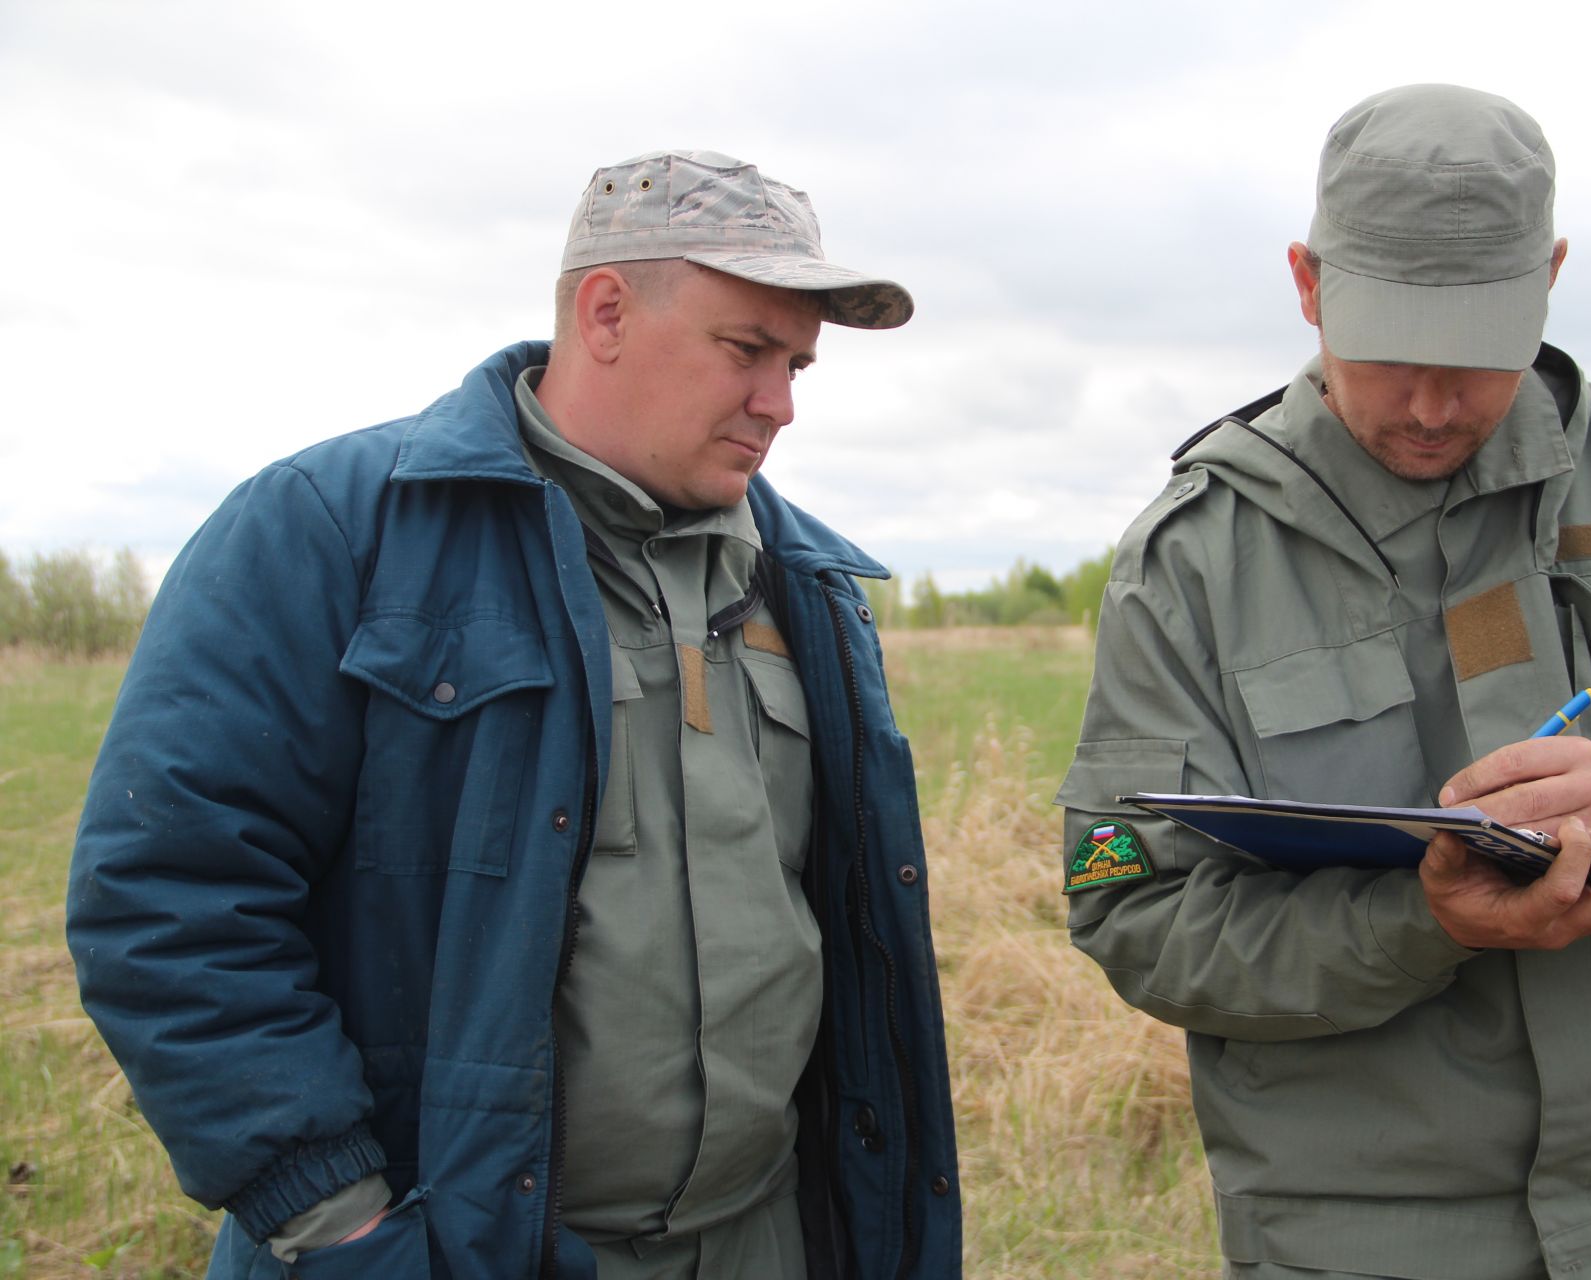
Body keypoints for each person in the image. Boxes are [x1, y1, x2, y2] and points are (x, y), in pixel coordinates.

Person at [69, 150, 961, 1280]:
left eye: (795, 364)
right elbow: (170, 896)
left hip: (765, 1235)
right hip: (454, 1248)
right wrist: (339, 1222)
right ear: (605, 313)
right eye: (746, 350)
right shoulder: (331, 531)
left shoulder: (809, 582)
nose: (779, 403)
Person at [1058, 85, 1591, 1280]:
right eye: (1391, 350)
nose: (1432, 405)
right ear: (1306, 284)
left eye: (1478, 356)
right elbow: (1133, 911)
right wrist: (1422, 920)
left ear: (1551, 275)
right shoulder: (1194, 557)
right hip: (1352, 1246)